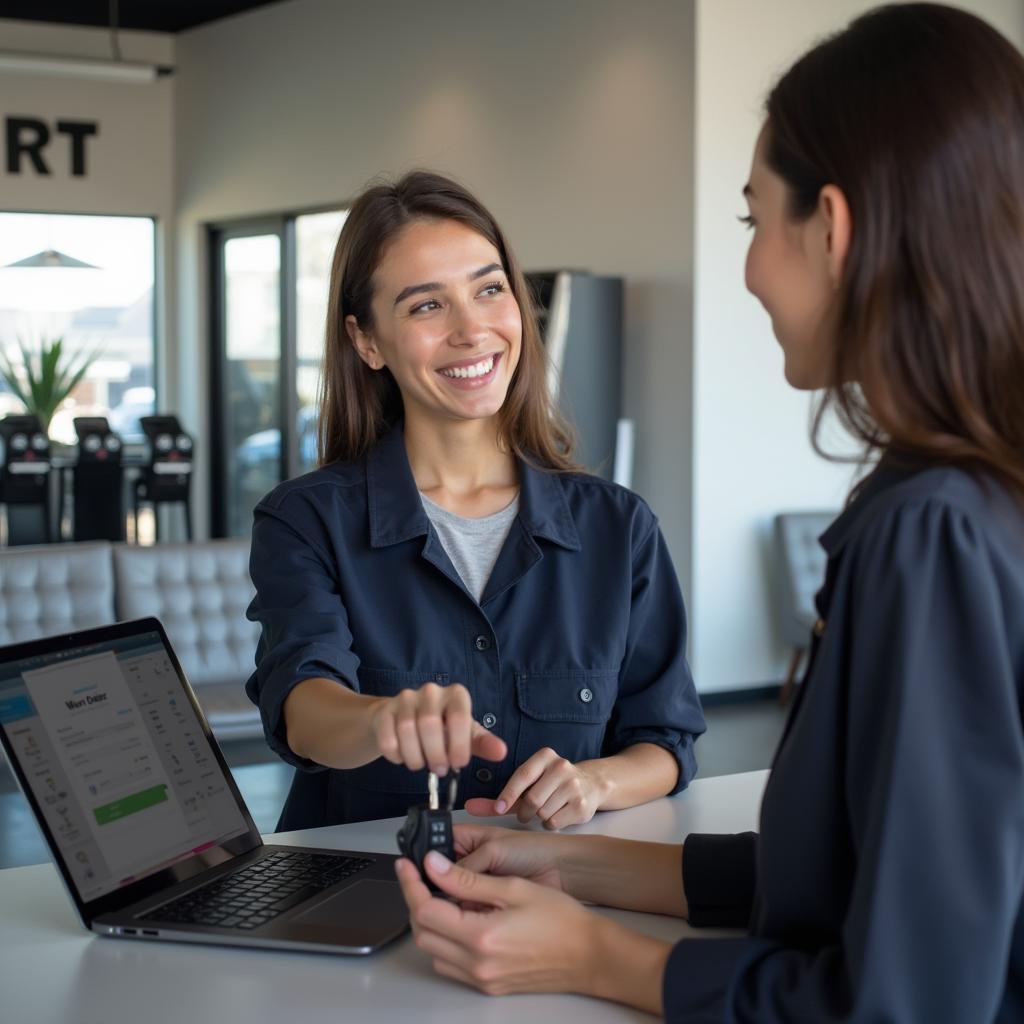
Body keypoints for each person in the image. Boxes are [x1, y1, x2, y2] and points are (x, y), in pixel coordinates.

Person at [394, 4, 1024, 1020]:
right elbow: (850, 867)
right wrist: (574, 864)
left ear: (835, 226)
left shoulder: (931, 530)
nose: (746, 270)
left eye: (752, 222)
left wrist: (591, 958)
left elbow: (904, 1000)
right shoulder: (961, 498)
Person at [245, 171, 706, 832]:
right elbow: (304, 707)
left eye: (489, 289)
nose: (472, 329)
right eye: (426, 305)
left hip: (562, 903)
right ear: (366, 340)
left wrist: (594, 781)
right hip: (373, 902)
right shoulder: (307, 522)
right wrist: (383, 719)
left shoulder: (619, 527)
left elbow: (666, 742)